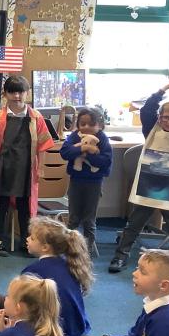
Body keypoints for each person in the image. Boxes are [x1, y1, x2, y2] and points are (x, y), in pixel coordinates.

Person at [109, 77, 169, 290]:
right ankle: (120, 256)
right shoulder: (151, 129)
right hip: (148, 185)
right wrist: (163, 89)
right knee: (134, 224)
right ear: (159, 117)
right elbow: (147, 109)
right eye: (165, 117)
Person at [0, 75, 53, 257]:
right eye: (12, 92)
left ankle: (27, 243)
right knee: (1, 206)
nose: (17, 96)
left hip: (26, 169)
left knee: (25, 207)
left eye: (21, 92)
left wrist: (40, 168)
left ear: (27, 93)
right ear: (5, 94)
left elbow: (43, 145)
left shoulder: (36, 117)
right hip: (3, 168)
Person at [18, 217, 93, 336]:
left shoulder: (32, 271)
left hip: (55, 334)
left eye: (32, 238)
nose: (27, 239)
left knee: (1, 301)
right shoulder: (71, 264)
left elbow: (21, 304)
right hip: (77, 327)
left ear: (45, 247)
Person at [59, 106, 112, 255]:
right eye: (82, 124)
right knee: (73, 218)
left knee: (89, 219)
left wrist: (89, 154)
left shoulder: (102, 139)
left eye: (91, 124)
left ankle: (86, 252)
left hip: (94, 183)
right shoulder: (74, 136)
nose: (86, 127)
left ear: (100, 125)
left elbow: (105, 161)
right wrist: (83, 148)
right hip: (76, 182)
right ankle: (69, 249)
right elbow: (65, 152)